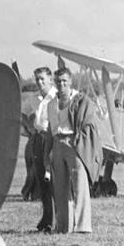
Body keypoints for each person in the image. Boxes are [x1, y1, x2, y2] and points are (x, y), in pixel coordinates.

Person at [47, 67, 102, 233]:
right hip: (57, 143)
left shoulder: (79, 100)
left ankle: (83, 226)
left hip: (74, 143)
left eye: (64, 81)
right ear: (54, 83)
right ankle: (64, 226)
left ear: (70, 81)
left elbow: (89, 121)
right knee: (60, 187)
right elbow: (50, 129)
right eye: (58, 81)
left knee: (79, 185)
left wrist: (79, 141)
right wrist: (47, 153)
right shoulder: (51, 104)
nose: (61, 84)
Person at [29, 67, 57, 231]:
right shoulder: (34, 98)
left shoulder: (56, 96)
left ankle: (54, 220)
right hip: (38, 137)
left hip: (50, 136)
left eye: (42, 79)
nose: (39, 82)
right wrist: (31, 129)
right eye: (37, 79)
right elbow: (22, 113)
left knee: (51, 179)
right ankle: (46, 218)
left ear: (50, 79)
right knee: (41, 180)